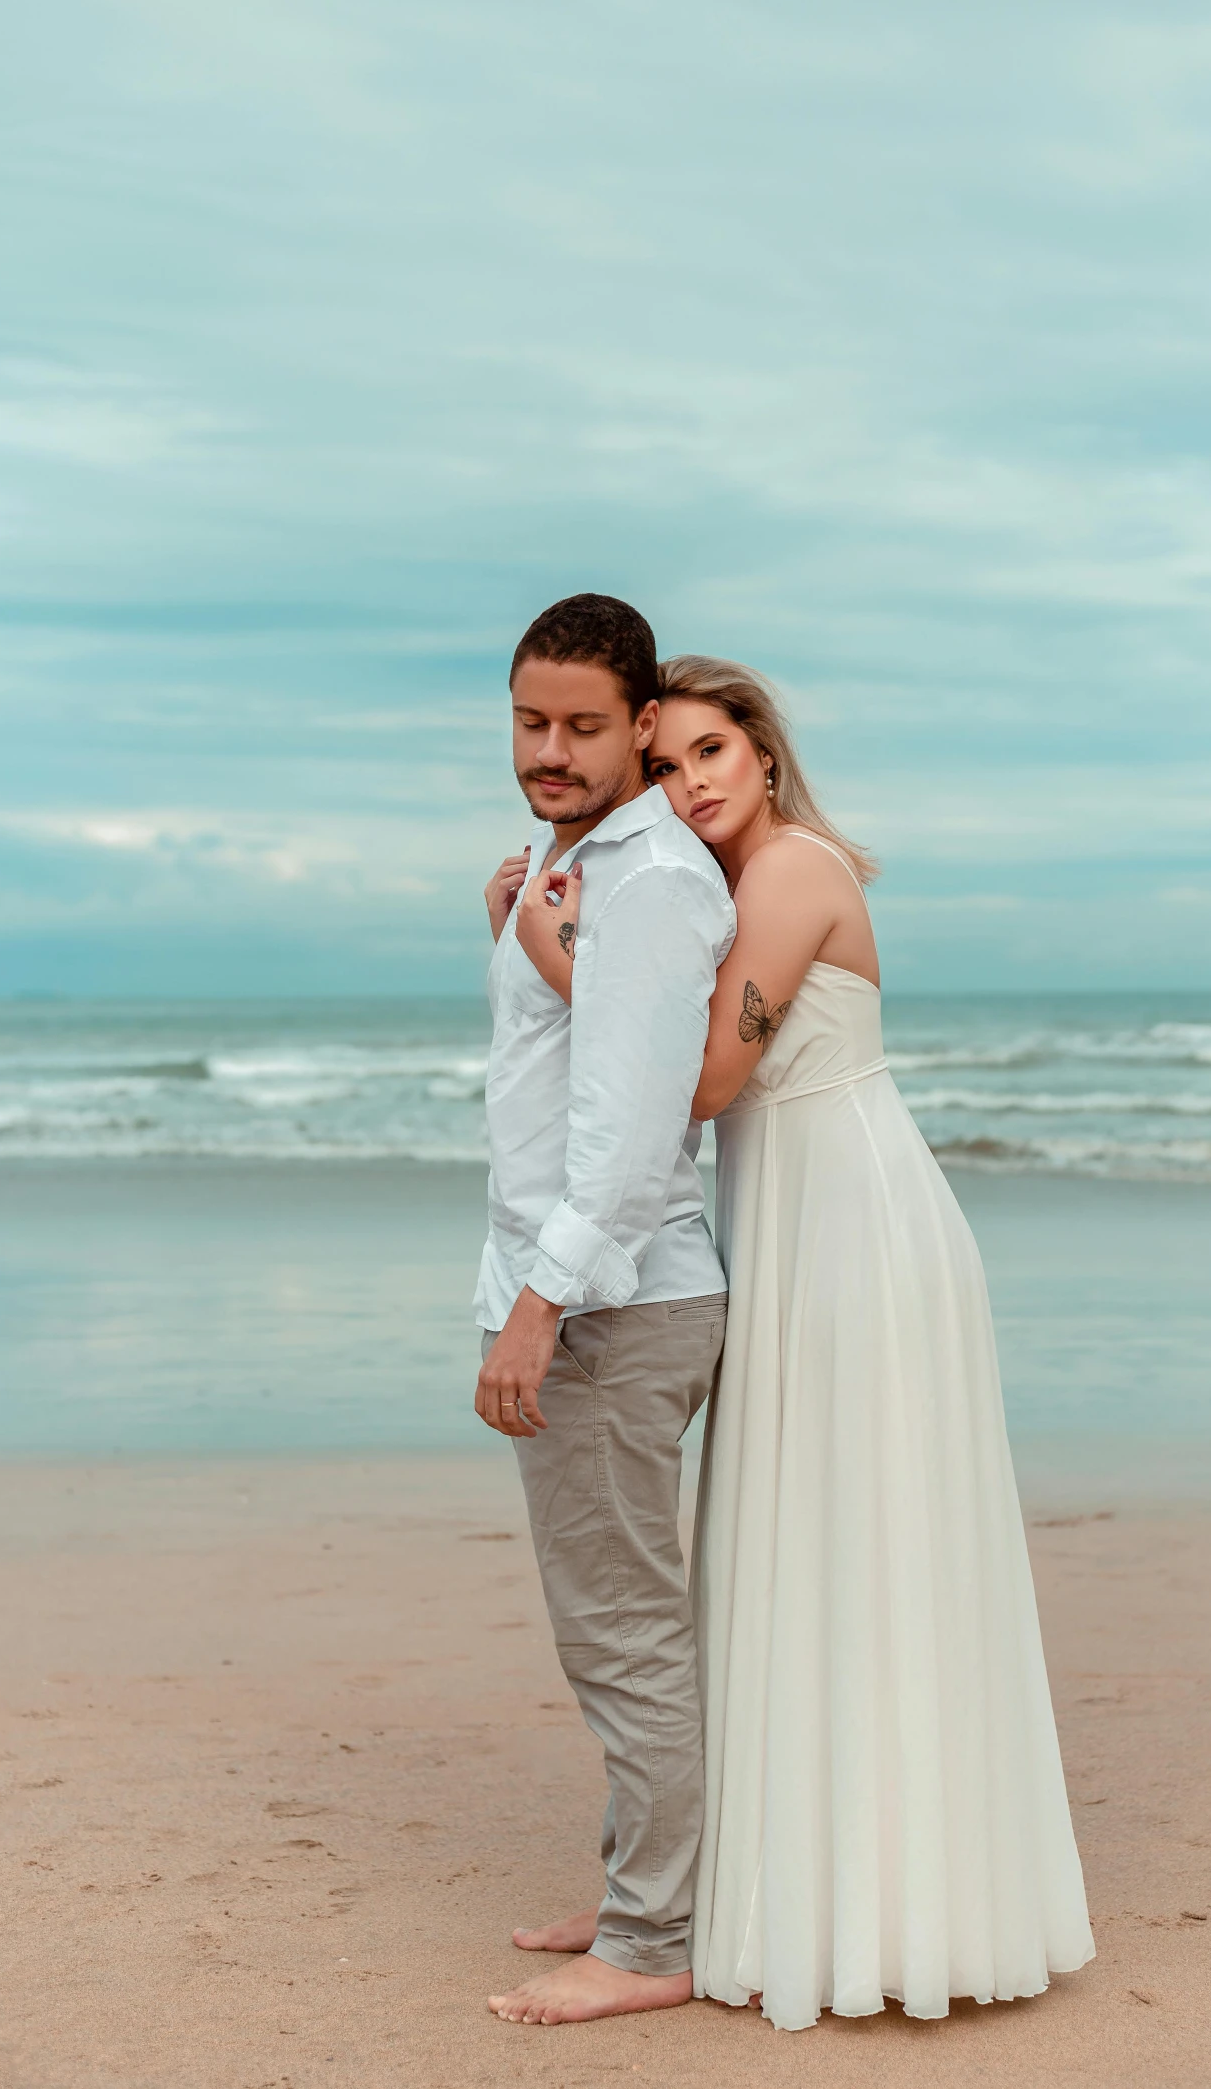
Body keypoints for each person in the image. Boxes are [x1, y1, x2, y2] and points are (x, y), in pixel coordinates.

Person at [517, 654, 1094, 2030]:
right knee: (786, 1550)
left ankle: (860, 1902)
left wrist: (550, 946)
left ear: (764, 756)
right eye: (664, 766)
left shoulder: (788, 874)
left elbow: (708, 1079)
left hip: (858, 1237)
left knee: (862, 1549)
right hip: (790, 1230)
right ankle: (705, 1889)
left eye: (710, 751)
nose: (688, 782)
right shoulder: (718, 888)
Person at [474, 597, 736, 2028]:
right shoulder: (576, 868)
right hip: (600, 1296)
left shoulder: (651, 882)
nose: (552, 750)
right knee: (621, 1620)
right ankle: (651, 1880)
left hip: (612, 1311)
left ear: (644, 722)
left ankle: (653, 1937)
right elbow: (568, 1071)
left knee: (624, 1630)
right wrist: (513, 928)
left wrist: (536, 1309)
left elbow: (635, 1137)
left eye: (584, 725)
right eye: (532, 722)